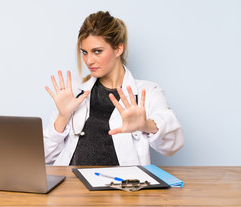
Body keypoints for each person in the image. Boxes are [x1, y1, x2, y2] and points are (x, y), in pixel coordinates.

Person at [44, 11, 184, 166]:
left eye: (97, 51)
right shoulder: (75, 92)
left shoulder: (148, 92)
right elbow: (46, 157)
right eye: (85, 52)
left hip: (119, 187)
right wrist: (63, 116)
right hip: (72, 184)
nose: (89, 60)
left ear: (118, 49)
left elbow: (173, 145)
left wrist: (145, 125)